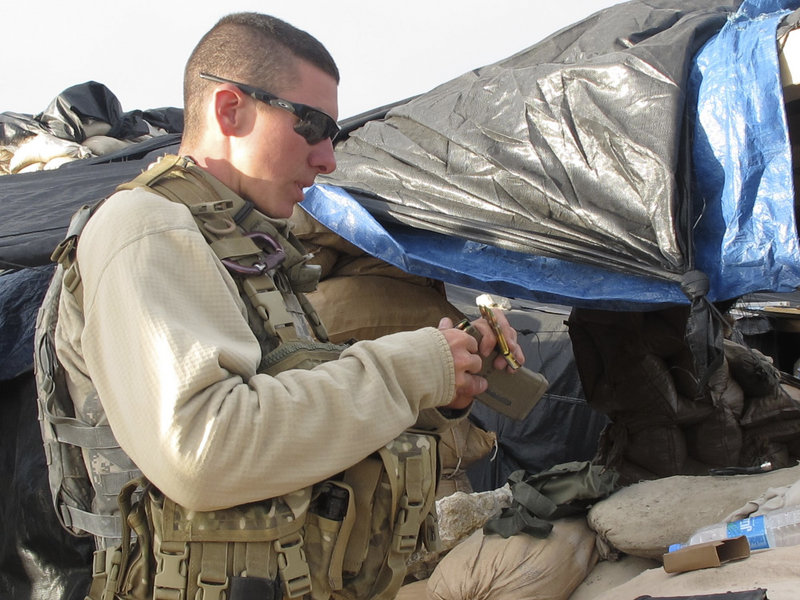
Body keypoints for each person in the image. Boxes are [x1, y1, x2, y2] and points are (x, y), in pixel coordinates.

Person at [47, 11, 524, 599]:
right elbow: (202, 451)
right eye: (312, 124)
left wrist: (444, 384)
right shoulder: (145, 225)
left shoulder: (244, 242)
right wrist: (411, 369)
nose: (328, 159)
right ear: (230, 110)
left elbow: (294, 408)